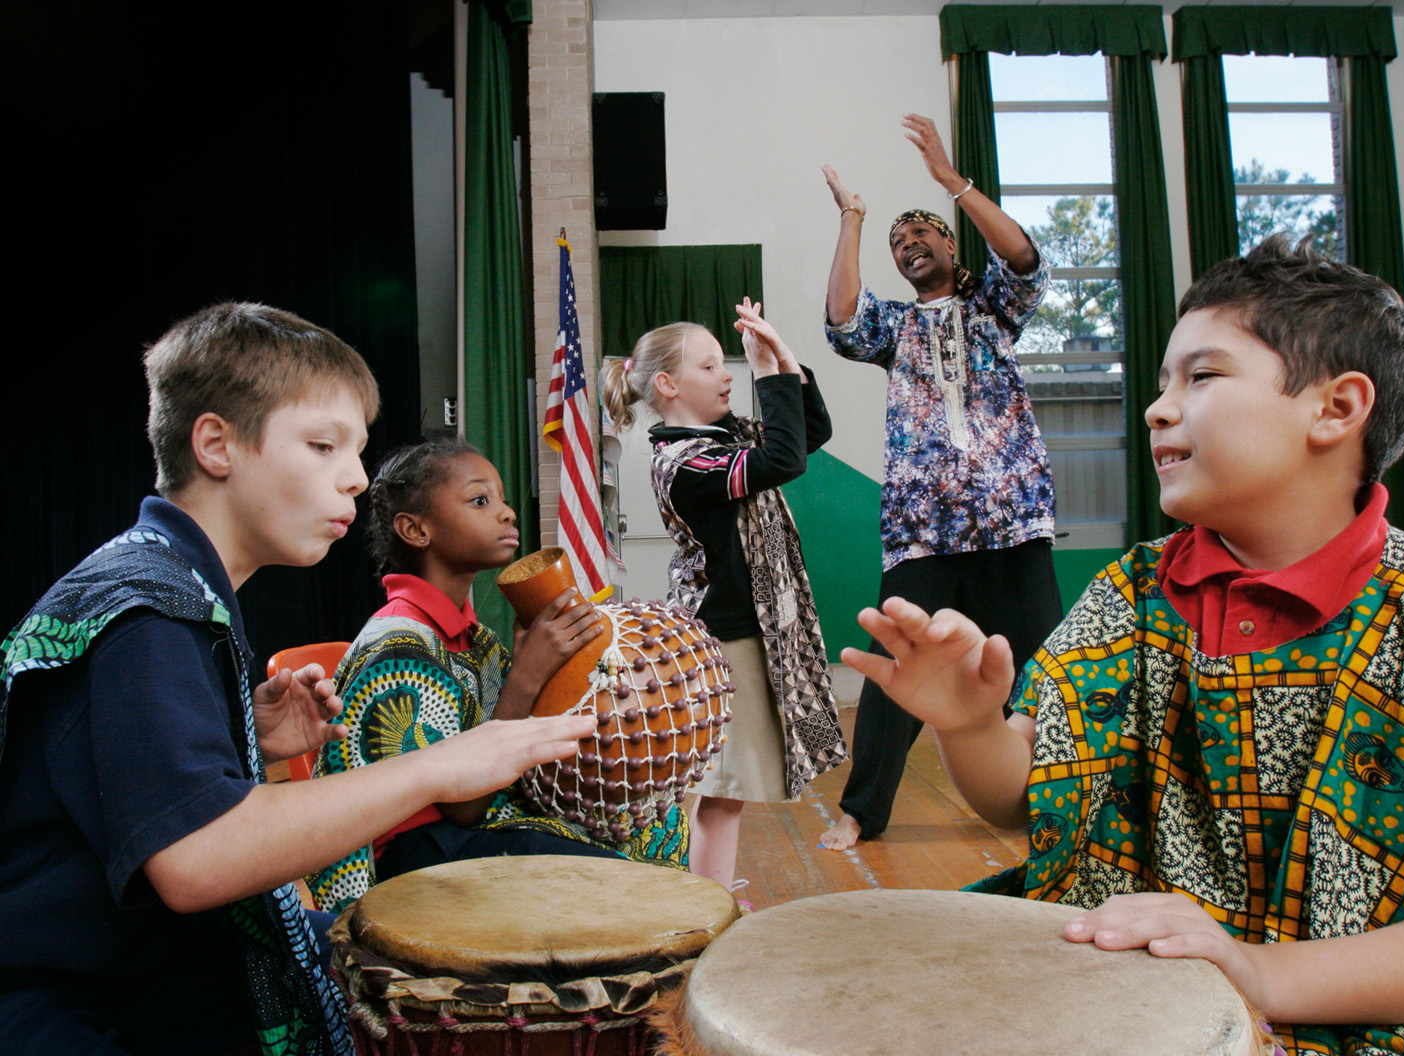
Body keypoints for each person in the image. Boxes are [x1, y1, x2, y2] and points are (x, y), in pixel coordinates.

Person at [842, 237, 1404, 1055]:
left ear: (1336, 409)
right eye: (1161, 383)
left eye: (1203, 376)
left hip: (1350, 1021)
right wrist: (970, 726)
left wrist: (1259, 974)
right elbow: (1022, 794)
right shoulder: (1132, 595)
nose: (1156, 407)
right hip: (1111, 1007)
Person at [0, 303, 597, 1056]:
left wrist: (245, 734)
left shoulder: (171, 583)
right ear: (216, 444)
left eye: (356, 452)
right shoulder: (153, 610)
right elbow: (194, 859)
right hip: (75, 1009)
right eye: (323, 446)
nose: (354, 479)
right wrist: (443, 763)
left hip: (139, 977)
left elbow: (115, 776)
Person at [307, 437, 689, 913]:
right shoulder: (399, 646)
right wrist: (526, 677)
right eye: (480, 500)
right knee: (615, 881)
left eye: (503, 499)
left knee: (656, 821)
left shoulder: (475, 636)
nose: (507, 513)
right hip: (418, 853)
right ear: (416, 529)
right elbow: (462, 807)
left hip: (473, 825)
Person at [819, 113, 1063, 851]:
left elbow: (1025, 260)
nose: (909, 245)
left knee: (1047, 669)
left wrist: (950, 180)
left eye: (921, 233)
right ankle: (864, 809)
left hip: (1011, 522)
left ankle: (1061, 796)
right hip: (921, 532)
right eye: (898, 244)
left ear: (951, 244)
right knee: (900, 672)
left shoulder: (993, 306)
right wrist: (855, 219)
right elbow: (841, 319)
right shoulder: (894, 326)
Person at [602, 300, 846, 897]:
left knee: (722, 791)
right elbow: (784, 458)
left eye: (727, 363)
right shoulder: (685, 461)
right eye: (710, 366)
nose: (728, 373)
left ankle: (709, 897)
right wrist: (769, 376)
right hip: (722, 635)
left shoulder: (720, 437)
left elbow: (812, 434)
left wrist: (783, 362)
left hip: (740, 631)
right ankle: (681, 898)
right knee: (700, 788)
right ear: (668, 384)